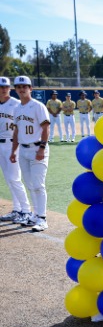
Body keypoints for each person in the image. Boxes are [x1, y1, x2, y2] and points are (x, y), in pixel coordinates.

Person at [9, 76, 50, 232]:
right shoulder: (17, 109)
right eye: (18, 87)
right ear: (15, 90)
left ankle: (42, 218)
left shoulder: (37, 106)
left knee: (39, 185)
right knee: (30, 185)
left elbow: (46, 128)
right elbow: (16, 132)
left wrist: (42, 148)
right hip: (23, 150)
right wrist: (14, 151)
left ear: (30, 89)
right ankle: (35, 214)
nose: (21, 89)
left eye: (24, 86)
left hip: (37, 148)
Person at [0, 76, 31, 224]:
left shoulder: (16, 104)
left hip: (13, 144)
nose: (3, 89)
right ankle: (17, 209)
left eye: (6, 87)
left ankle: (26, 211)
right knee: (8, 179)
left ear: (9, 88)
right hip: (1, 144)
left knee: (14, 179)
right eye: (1, 87)